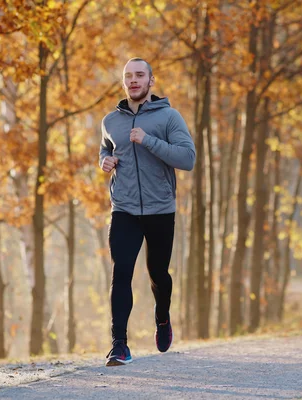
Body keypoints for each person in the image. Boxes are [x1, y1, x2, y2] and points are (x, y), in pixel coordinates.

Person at [99, 58, 196, 366]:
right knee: (122, 271)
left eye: (140, 75)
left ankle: (162, 317)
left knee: (157, 274)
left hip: (160, 209)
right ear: (123, 82)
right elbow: (106, 147)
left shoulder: (169, 117)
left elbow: (187, 158)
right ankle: (119, 345)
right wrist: (104, 160)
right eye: (128, 76)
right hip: (124, 209)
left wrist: (149, 140)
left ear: (151, 81)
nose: (134, 80)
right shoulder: (110, 121)